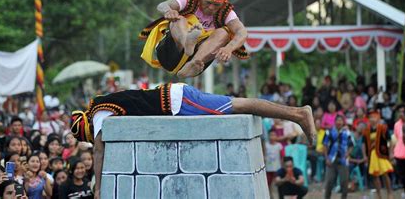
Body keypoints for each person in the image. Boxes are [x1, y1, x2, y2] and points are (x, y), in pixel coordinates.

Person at [69, 83, 317, 198]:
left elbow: (100, 150)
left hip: (178, 102)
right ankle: (296, 114)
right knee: (237, 106)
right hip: (176, 100)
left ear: (87, 125)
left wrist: (99, 188)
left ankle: (297, 114)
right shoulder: (101, 104)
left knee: (240, 105)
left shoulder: (98, 113)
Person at [139, 0, 249, 78]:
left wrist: (228, 48)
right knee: (179, 19)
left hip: (197, 62)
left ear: (223, 2)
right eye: (207, 3)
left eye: (216, 5)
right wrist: (168, 11)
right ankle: (186, 42)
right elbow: (163, 5)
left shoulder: (226, 12)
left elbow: (242, 32)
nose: (211, 7)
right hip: (170, 53)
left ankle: (191, 64)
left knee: (224, 33)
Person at [362, 111, 394, 199]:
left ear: (378, 118)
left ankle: (389, 193)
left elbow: (390, 140)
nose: (372, 119)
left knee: (385, 174)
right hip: (372, 155)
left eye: (374, 117)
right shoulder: (366, 130)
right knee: (375, 176)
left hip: (382, 154)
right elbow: (363, 144)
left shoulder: (383, 128)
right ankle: (379, 195)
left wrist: (391, 152)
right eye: (370, 117)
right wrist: (364, 155)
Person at [322, 115, 353, 199]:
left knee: (344, 182)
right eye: (337, 120)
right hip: (331, 159)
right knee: (329, 182)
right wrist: (326, 158)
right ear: (334, 122)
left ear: (343, 122)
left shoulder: (347, 132)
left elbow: (351, 145)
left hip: (343, 160)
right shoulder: (329, 131)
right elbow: (324, 145)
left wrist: (347, 153)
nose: (339, 122)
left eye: (341, 120)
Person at [392, 105, 405, 198]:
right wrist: (392, 152)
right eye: (400, 112)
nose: (401, 114)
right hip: (399, 153)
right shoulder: (396, 124)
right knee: (402, 176)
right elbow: (396, 138)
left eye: (403, 111)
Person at [264, 129, 283, 198]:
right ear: (268, 136)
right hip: (268, 169)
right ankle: (270, 196)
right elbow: (263, 155)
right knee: (268, 184)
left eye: (274, 135)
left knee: (278, 184)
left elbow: (282, 157)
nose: (272, 137)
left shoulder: (279, 145)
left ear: (276, 136)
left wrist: (282, 167)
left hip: (277, 169)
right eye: (271, 135)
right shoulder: (266, 145)